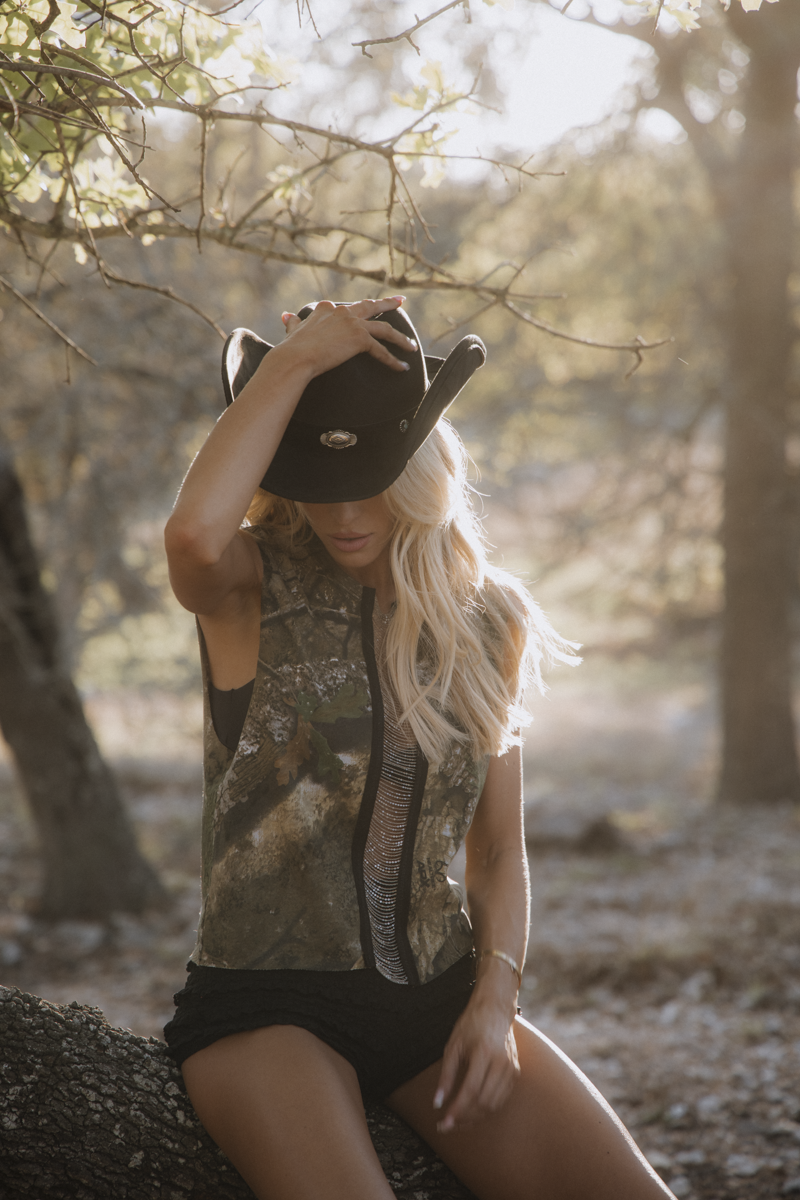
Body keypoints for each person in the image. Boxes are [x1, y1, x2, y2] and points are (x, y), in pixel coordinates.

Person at [163, 296, 675, 1200]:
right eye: (321, 477)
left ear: (419, 465)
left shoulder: (488, 621)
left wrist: (494, 1000)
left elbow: (497, 850)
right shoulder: (251, 583)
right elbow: (192, 534)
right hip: (265, 1010)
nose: (345, 508)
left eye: (372, 473)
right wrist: (291, 363)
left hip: (436, 999)